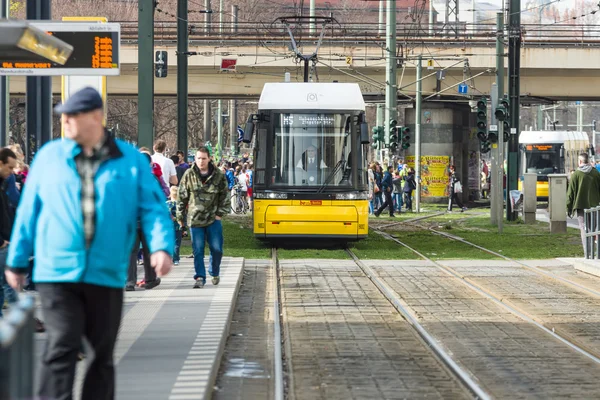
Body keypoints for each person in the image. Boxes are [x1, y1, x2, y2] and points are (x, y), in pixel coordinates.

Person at [5, 87, 174, 400]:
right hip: (57, 272)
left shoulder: (129, 161)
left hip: (105, 272)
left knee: (100, 354)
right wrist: (16, 261)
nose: (65, 122)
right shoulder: (49, 158)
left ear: (96, 117)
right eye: (63, 117)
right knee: (62, 343)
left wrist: (161, 247)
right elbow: (29, 212)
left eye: (72, 116)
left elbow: (153, 207)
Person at [177, 147, 229, 289]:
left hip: (213, 219)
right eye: (198, 158)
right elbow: (182, 197)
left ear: (209, 158)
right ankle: (200, 277)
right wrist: (180, 217)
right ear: (195, 159)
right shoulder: (189, 174)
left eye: (204, 158)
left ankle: (214, 271)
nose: (201, 161)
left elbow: (225, 196)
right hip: (195, 220)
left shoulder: (218, 175)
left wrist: (219, 214)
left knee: (216, 249)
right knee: (198, 250)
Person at [567, 152, 600, 252]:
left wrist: (569, 208)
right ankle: (596, 252)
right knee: (595, 229)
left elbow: (570, 193)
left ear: (580, 161)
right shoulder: (595, 173)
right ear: (588, 161)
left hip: (581, 206)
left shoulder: (576, 174)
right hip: (595, 206)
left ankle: (588, 252)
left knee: (584, 228)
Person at [0, 148, 17, 319]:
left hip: (5, 242)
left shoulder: (3, 185)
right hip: (2, 244)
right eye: (10, 168)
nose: (11, 172)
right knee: (7, 283)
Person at [167, 186, 182, 265]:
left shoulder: (166, 204)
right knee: (177, 243)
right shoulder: (180, 204)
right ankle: (176, 259)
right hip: (178, 226)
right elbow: (182, 216)